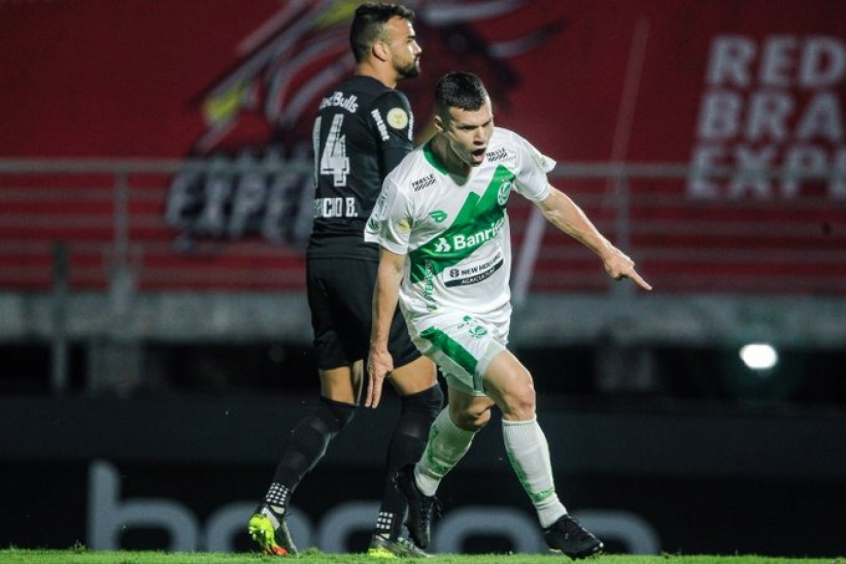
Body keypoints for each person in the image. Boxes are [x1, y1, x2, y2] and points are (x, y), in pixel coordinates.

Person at [365, 71, 652, 559]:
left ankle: (419, 484)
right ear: (440, 126)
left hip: (493, 311)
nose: (481, 137)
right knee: (518, 391)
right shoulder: (408, 186)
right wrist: (377, 348)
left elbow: (552, 201)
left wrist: (606, 250)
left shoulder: (507, 150)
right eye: (467, 128)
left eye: (487, 122)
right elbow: (390, 270)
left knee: (471, 413)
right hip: (438, 315)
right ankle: (554, 519)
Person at [247, 4, 443, 558]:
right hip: (363, 259)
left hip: (323, 256)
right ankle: (388, 534)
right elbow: (406, 189)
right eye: (408, 39)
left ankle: (272, 507)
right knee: (425, 400)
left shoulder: (330, 103)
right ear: (380, 48)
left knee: (337, 403)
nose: (417, 48)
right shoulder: (390, 103)